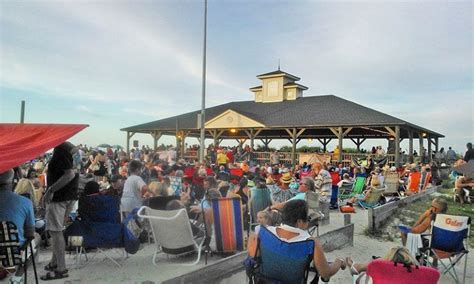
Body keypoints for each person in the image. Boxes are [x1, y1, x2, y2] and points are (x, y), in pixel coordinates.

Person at [248, 200, 346, 281]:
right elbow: (326, 273)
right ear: (299, 221)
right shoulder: (311, 243)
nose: (308, 221)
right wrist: (339, 261)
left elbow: (254, 258)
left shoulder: (262, 231)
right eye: (308, 218)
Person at [41, 142, 78, 281]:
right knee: (58, 231)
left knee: (55, 232)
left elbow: (69, 174)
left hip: (59, 198)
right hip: (68, 197)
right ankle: (54, 262)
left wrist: (51, 190)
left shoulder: (60, 149)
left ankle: (61, 269)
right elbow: (74, 152)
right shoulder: (65, 148)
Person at [0, 169, 36, 283]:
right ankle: (16, 278)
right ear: (13, 182)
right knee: (35, 241)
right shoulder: (25, 202)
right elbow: (30, 234)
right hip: (14, 252)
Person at [345, 247, 418, 278]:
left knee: (379, 262)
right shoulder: (419, 275)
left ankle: (358, 267)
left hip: (386, 273)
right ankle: (358, 267)